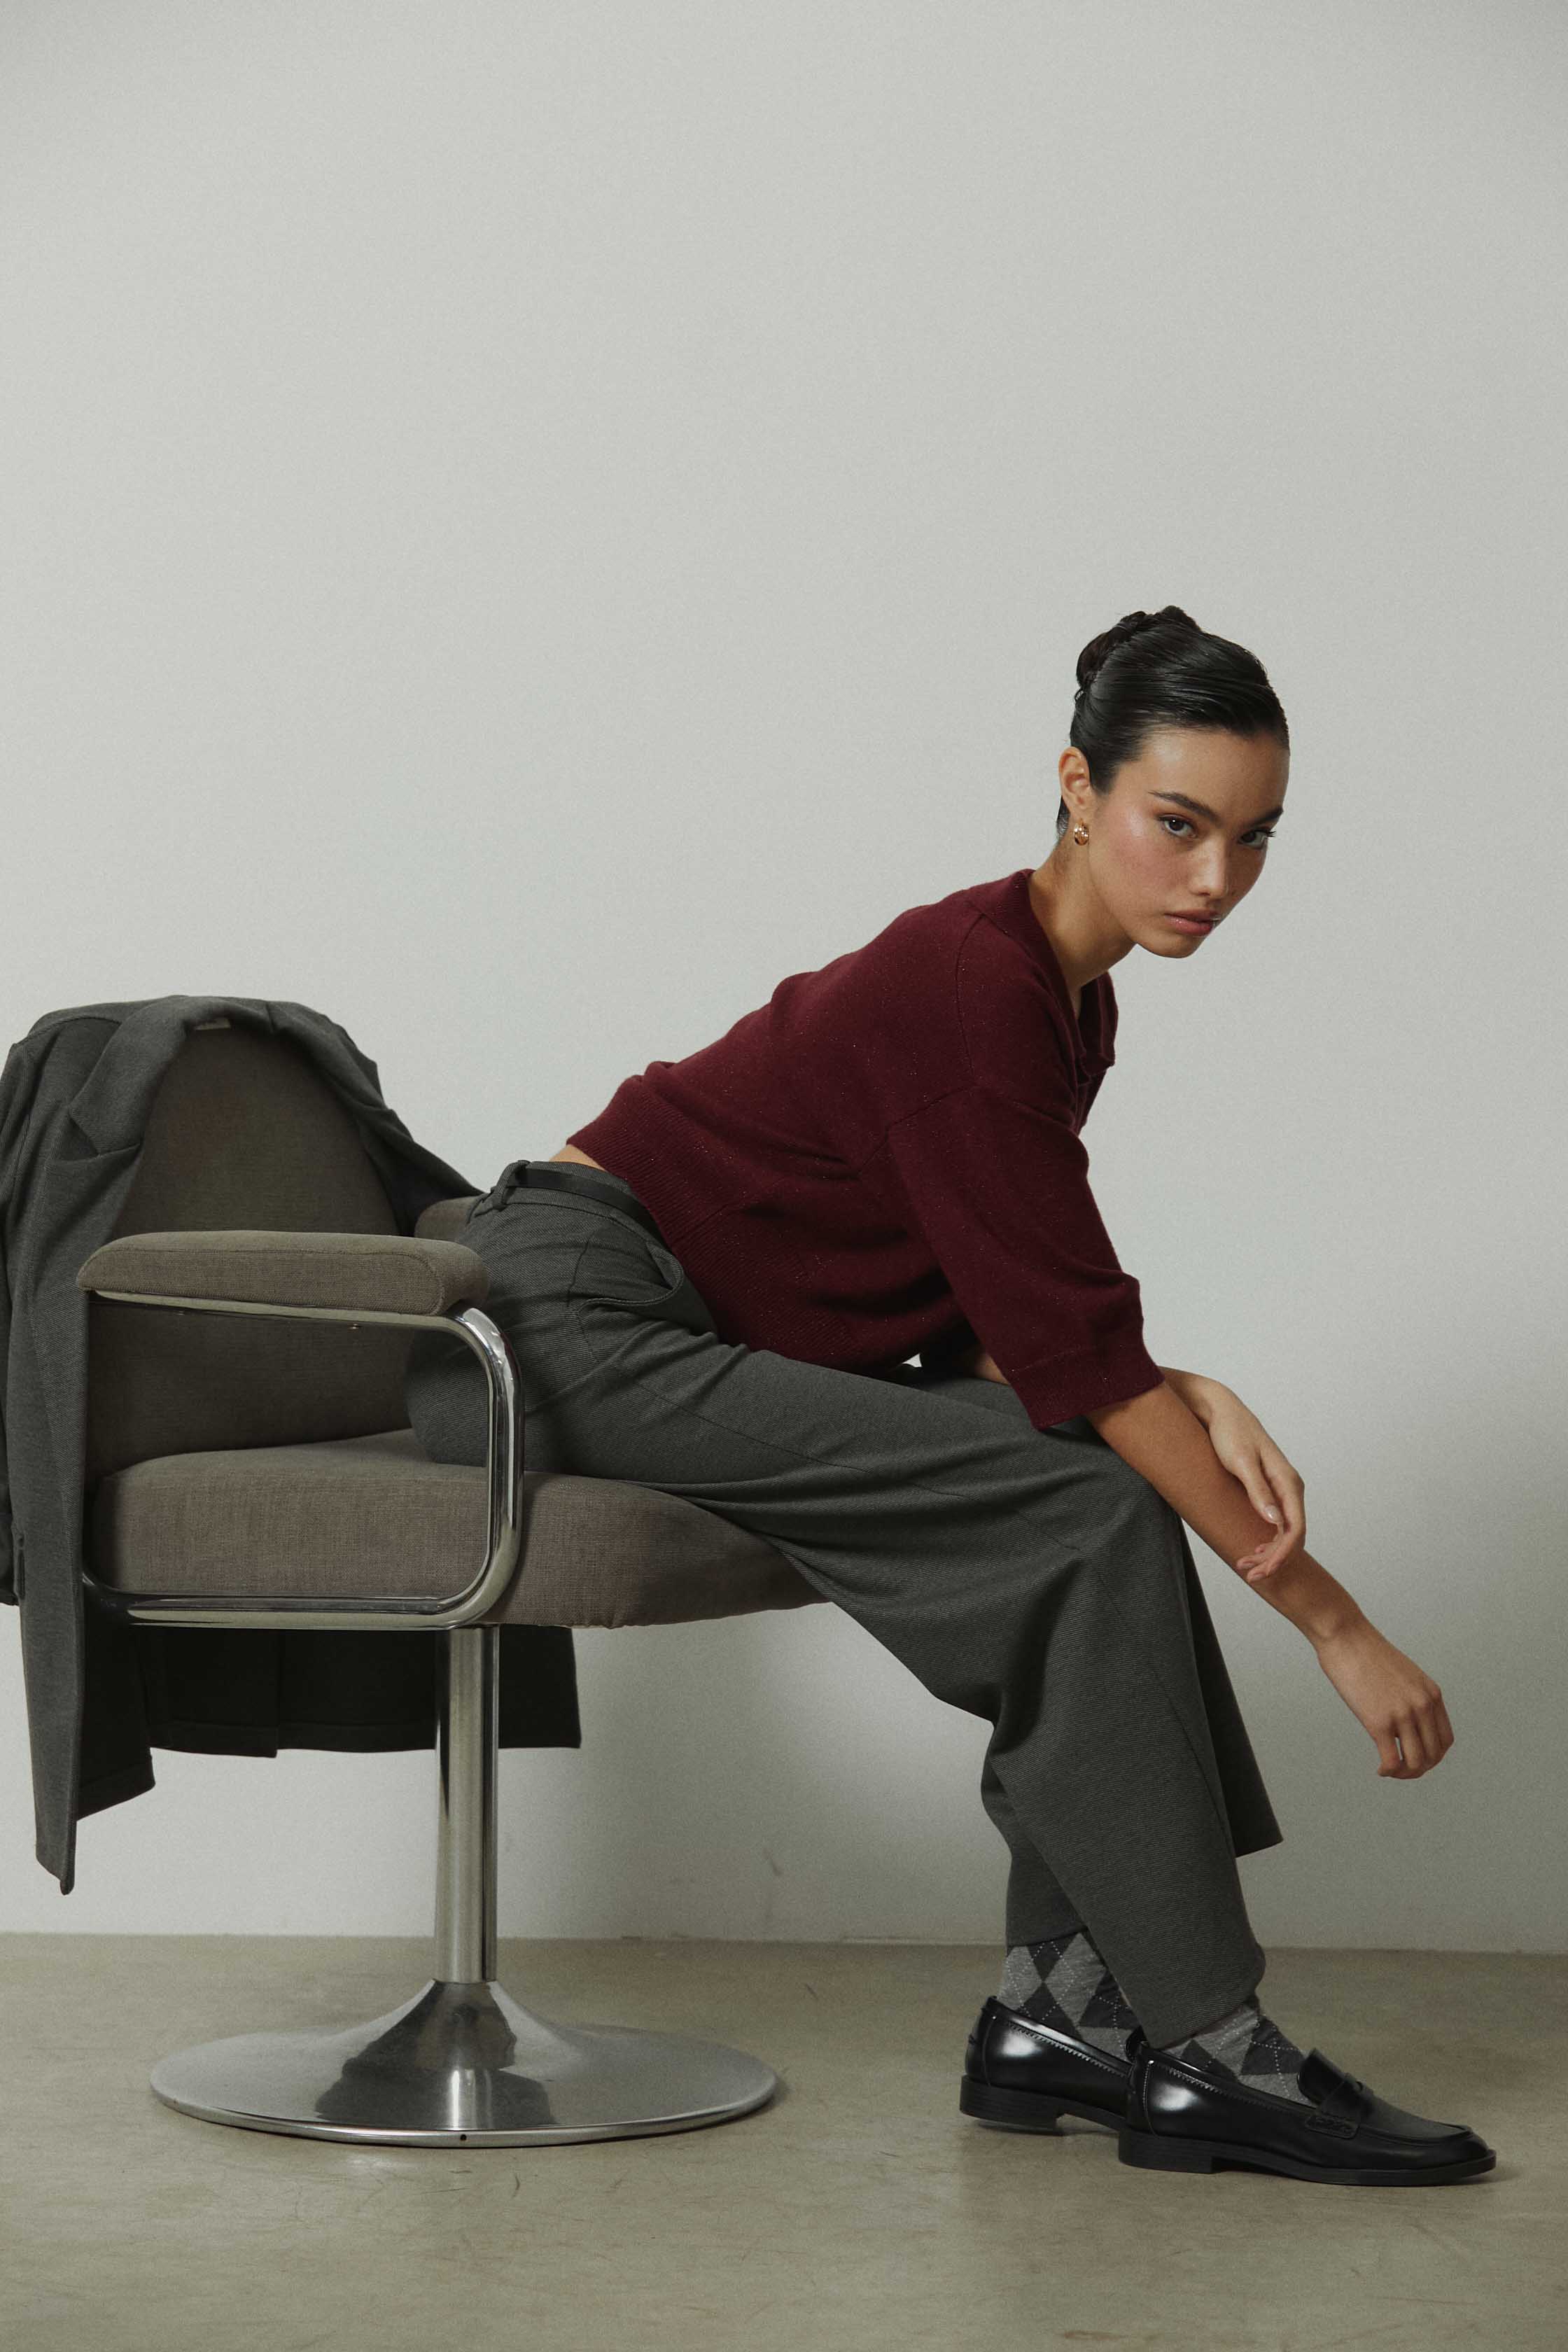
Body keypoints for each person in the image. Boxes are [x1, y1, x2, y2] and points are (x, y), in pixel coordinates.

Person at [406, 605, 1493, 2185]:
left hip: (655, 1330)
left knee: (1099, 1485)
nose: (1215, 878)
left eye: (1254, 838)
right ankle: (1204, 2040)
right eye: (1178, 823)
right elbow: (1073, 1352)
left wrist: (1173, 1385)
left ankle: (1062, 2012)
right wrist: (1334, 1624)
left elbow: (1015, 1321)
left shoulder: (1066, 994)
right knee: (1090, 1487)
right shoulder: (981, 991)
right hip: (546, 1336)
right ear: (1077, 788)